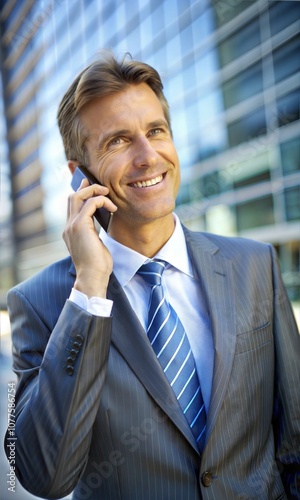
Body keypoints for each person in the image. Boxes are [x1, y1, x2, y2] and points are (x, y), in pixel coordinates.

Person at [5, 52, 300, 500]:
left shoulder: (255, 264)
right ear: (78, 177)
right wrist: (88, 289)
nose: (148, 157)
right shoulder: (39, 302)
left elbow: (294, 439)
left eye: (155, 131)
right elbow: (42, 474)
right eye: (118, 142)